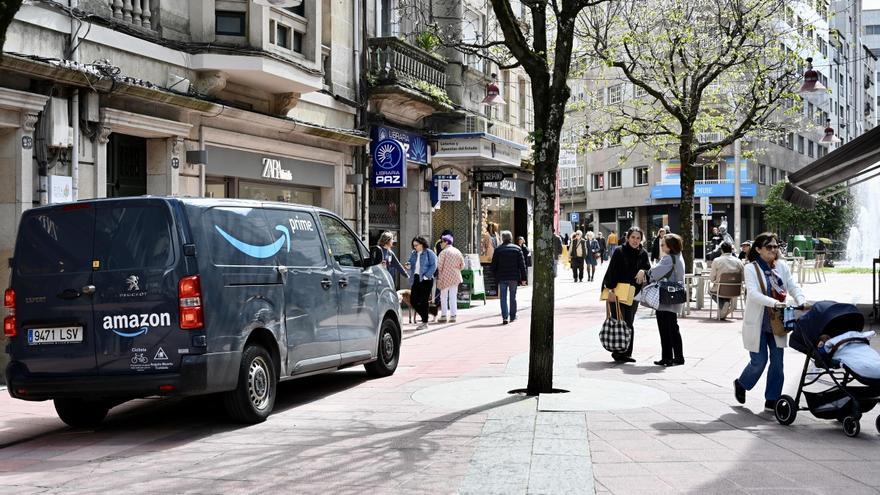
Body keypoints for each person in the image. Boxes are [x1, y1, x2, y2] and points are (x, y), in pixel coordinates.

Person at [734, 232, 807, 411]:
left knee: (777, 362)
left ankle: (772, 399)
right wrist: (775, 303)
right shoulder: (751, 268)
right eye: (769, 247)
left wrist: (801, 300)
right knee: (759, 361)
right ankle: (742, 383)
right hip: (758, 322)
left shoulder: (781, 266)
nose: (774, 250)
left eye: (776, 246)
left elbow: (792, 285)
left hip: (777, 322)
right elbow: (753, 294)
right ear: (758, 249)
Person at [602, 227, 651, 363]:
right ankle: (617, 351)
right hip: (616, 292)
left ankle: (626, 353)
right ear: (628, 238)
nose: (635, 240)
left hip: (633, 294)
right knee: (618, 321)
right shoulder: (619, 251)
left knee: (629, 323)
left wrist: (643, 271)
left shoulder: (643, 254)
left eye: (638, 238)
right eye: (633, 237)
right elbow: (612, 270)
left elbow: (649, 269)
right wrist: (610, 289)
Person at [648, 233, 686, 366]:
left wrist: (645, 273)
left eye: (663, 244)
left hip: (665, 297)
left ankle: (667, 357)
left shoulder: (668, 259)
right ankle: (679, 356)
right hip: (675, 296)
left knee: (664, 328)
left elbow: (654, 274)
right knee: (673, 327)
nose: (661, 246)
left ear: (670, 246)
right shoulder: (679, 257)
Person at [490, 230, 527, 325]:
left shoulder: (498, 250)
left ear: (502, 239)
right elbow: (522, 265)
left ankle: (505, 317)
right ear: (510, 238)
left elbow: (493, 265)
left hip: (502, 277)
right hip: (514, 278)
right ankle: (513, 316)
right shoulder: (517, 249)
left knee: (503, 297)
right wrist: (524, 278)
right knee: (512, 297)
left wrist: (495, 276)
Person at [405, 236, 438, 330]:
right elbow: (410, 263)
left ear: (422, 244)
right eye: (413, 245)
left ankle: (424, 322)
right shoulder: (414, 253)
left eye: (416, 245)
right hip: (416, 278)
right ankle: (425, 316)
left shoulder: (429, 253)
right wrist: (408, 265)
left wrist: (426, 276)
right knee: (413, 300)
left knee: (424, 301)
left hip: (426, 279)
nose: (415, 247)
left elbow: (434, 265)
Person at [710, 241, 744, 319]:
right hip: (736, 290)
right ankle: (726, 307)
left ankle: (724, 303)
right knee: (724, 292)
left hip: (720, 290)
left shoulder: (716, 260)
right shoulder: (738, 261)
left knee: (710, 291)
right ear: (731, 250)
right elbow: (743, 277)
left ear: (721, 250)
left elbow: (712, 279)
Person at [436, 234, 464, 324]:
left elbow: (439, 266)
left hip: (445, 277)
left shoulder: (443, 252)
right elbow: (462, 265)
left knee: (443, 296)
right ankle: (453, 316)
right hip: (456, 276)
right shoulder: (457, 251)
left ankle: (444, 316)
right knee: (453, 296)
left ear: (446, 242)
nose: (440, 243)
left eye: (442, 242)